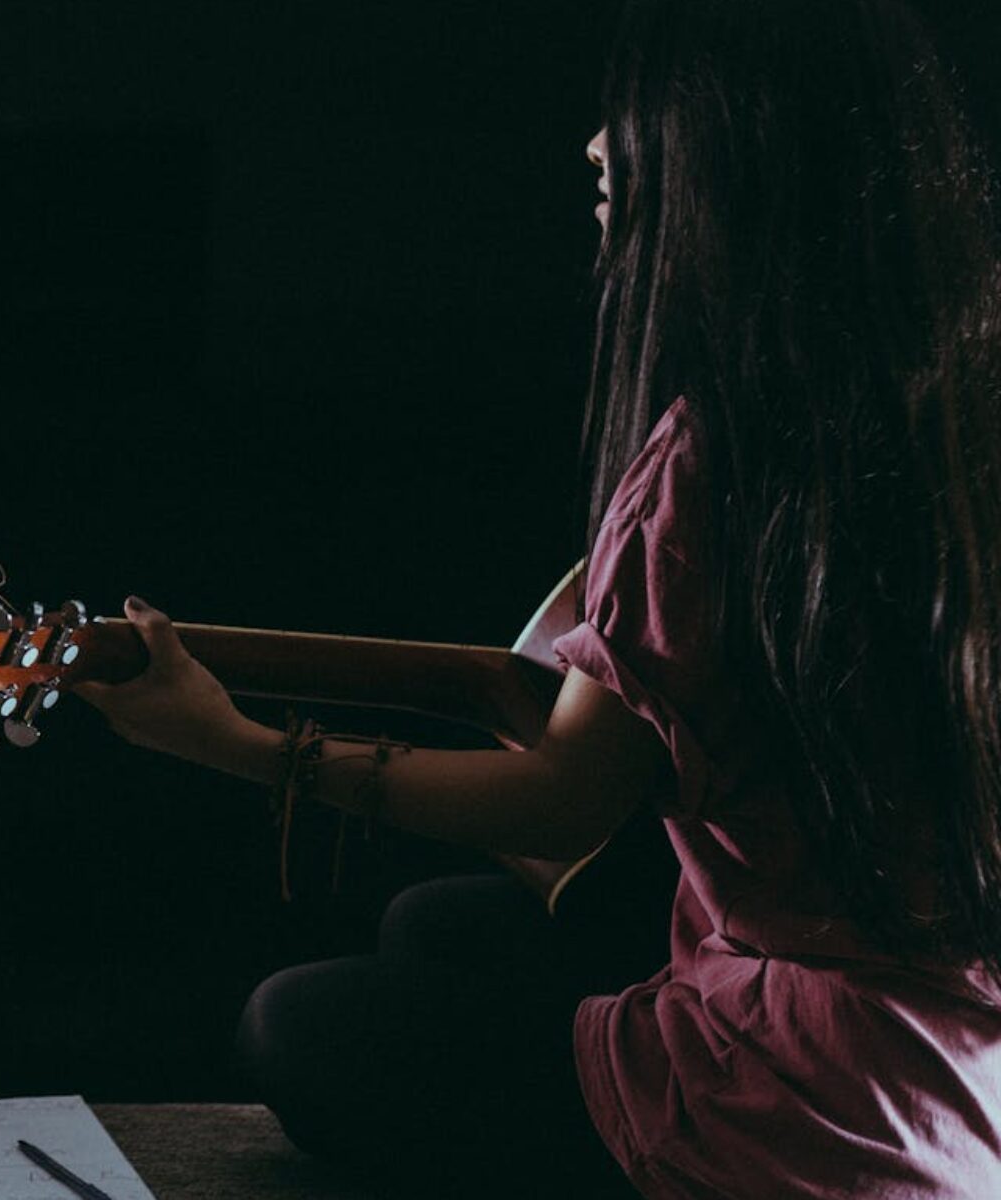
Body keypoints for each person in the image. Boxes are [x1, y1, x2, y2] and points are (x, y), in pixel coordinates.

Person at [76, 0, 1001, 1194]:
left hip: (815, 1098)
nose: (595, 148)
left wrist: (232, 741)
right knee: (438, 927)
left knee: (293, 1028)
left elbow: (566, 799)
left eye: (633, 116)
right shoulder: (956, 421)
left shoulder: (720, 463)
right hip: (963, 1045)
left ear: (733, 148)